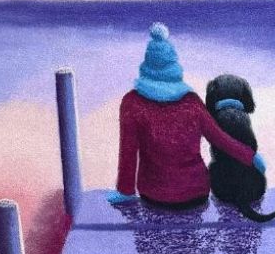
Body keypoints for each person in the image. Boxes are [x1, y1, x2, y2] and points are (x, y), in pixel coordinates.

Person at [108, 23, 266, 209]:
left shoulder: (132, 103)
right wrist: (250, 157)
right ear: (174, 67)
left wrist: (126, 191)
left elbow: (128, 152)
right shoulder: (191, 102)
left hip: (154, 194)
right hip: (195, 193)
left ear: (146, 66)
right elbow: (220, 139)